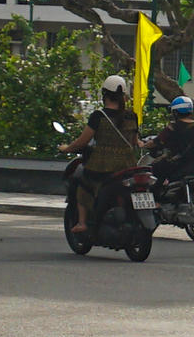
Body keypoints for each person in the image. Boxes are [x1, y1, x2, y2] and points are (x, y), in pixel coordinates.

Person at [61, 76, 144, 231]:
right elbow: (134, 141)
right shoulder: (132, 116)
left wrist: (67, 148)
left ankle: (82, 222)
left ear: (104, 94)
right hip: (128, 165)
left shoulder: (99, 116)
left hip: (102, 165)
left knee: (82, 183)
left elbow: (82, 141)